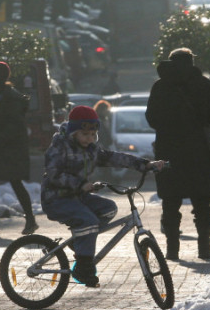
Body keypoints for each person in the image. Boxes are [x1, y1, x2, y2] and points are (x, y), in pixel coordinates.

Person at [41, 106, 165, 287]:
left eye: (93, 135)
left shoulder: (91, 149)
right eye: (84, 135)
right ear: (73, 133)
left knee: (108, 209)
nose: (89, 139)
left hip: (77, 197)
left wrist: (145, 165)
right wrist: (80, 184)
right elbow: (54, 174)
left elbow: (115, 158)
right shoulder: (59, 147)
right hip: (56, 199)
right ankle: (83, 269)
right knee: (89, 221)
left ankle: (81, 242)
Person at [145, 48, 210, 260]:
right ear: (192, 61)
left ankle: (172, 250)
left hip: (168, 152)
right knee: (202, 205)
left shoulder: (160, 86)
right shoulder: (204, 84)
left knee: (170, 203)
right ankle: (204, 249)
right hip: (199, 152)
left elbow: (151, 118)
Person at [0, 61, 38, 236]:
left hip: (9, 149)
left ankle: (31, 219)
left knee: (15, 181)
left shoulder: (11, 97)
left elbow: (14, 125)